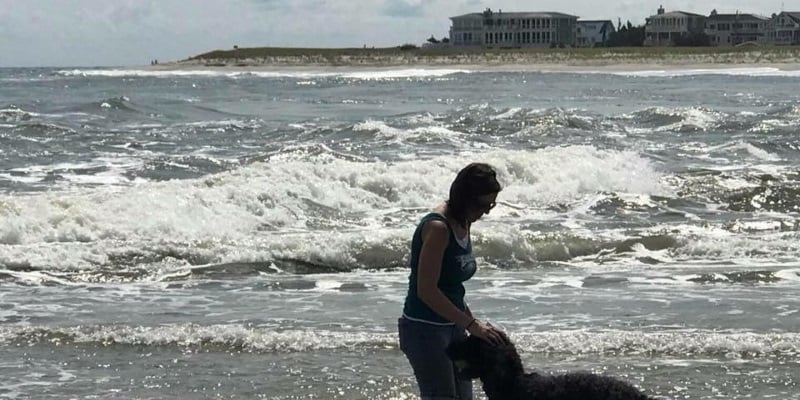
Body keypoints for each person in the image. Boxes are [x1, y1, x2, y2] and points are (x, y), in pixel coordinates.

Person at [398, 162, 508, 400]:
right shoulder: (438, 227)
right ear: (464, 197)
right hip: (424, 328)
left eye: (491, 205)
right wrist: (470, 324)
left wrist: (470, 320)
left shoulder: (465, 221)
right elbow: (426, 290)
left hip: (454, 324)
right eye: (482, 205)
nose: (486, 212)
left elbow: (451, 287)